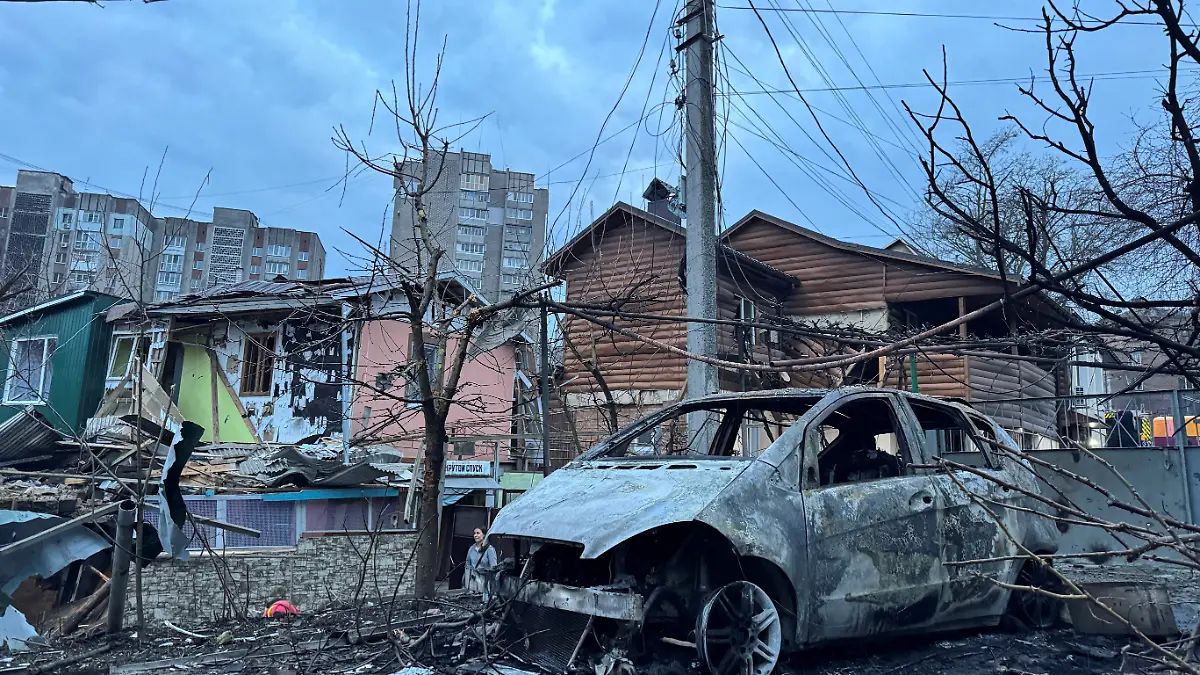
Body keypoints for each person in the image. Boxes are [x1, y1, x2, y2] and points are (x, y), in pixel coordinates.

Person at [465, 526, 498, 600]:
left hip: (485, 584)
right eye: (474, 533)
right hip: (473, 583)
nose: (475, 535)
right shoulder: (471, 549)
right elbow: (468, 565)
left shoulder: (490, 550)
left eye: (478, 533)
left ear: (484, 535)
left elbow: (494, 568)